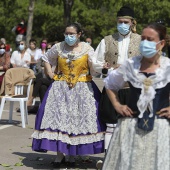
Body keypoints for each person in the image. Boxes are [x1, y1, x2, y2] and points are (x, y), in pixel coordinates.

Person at [31, 22, 105, 168]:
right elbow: (46, 59)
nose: (68, 36)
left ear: (79, 34)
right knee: (60, 119)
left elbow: (94, 68)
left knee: (77, 120)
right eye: (66, 34)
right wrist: (51, 73)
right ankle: (59, 156)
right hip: (60, 88)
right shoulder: (58, 47)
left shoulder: (87, 49)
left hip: (82, 88)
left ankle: (72, 155)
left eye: (71, 34)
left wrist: (99, 66)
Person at [102, 22, 169, 170]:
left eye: (150, 39)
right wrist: (117, 104)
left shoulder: (168, 67)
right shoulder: (131, 65)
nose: (145, 42)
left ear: (161, 43)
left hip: (161, 129)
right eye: (143, 38)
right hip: (130, 127)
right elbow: (110, 84)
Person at [92, 5, 141, 168]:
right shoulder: (107, 40)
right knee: (111, 123)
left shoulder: (141, 40)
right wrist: (104, 67)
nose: (122, 24)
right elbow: (94, 61)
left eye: (125, 22)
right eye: (119, 21)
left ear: (132, 23)